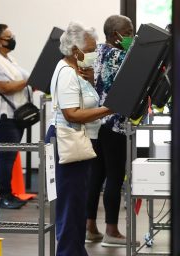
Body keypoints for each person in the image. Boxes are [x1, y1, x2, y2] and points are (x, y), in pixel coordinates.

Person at [44, 22, 112, 256]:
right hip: (68, 142)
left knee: (77, 205)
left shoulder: (77, 71)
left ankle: (75, 251)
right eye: (91, 49)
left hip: (80, 142)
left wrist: (91, 79)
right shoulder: (66, 74)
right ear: (75, 50)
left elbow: (85, 101)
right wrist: (108, 109)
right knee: (70, 206)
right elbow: (71, 113)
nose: (94, 53)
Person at [85, 15, 134, 247]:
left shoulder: (97, 54)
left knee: (96, 176)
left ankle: (90, 227)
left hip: (97, 124)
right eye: (129, 31)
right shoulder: (123, 56)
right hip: (115, 124)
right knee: (115, 177)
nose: (132, 35)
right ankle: (112, 232)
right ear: (116, 35)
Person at [0, 24, 30, 209]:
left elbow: (24, 78)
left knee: (10, 154)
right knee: (7, 155)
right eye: (9, 37)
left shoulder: (8, 59)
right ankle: (4, 196)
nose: (12, 39)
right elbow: (5, 87)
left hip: (14, 115)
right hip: (1, 115)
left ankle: (7, 193)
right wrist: (27, 82)